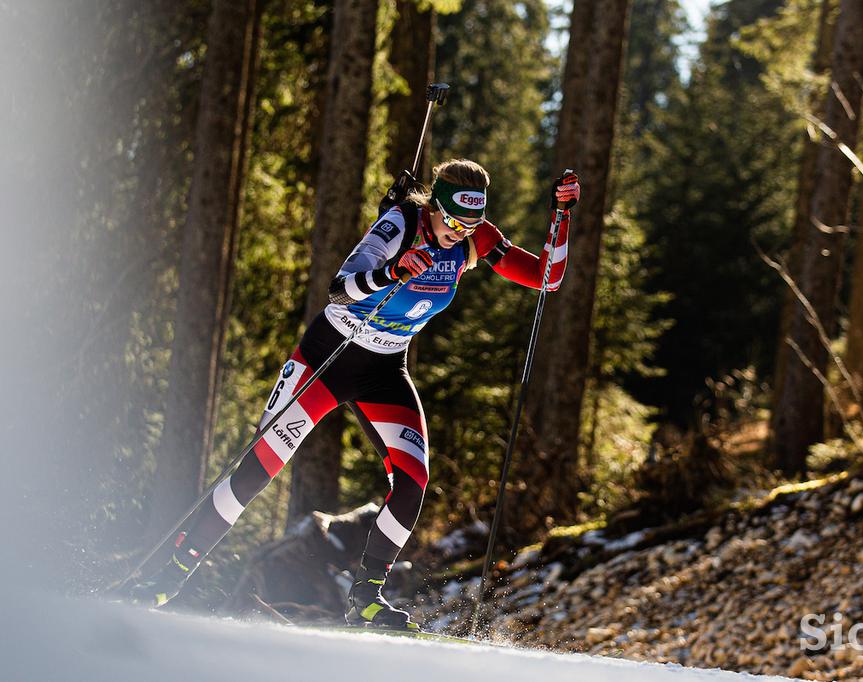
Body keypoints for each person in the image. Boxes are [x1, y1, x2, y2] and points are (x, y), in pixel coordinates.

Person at [131, 159, 581, 628]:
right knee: (258, 468)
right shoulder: (399, 225)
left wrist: (562, 215)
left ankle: (365, 597)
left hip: (385, 369)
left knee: (413, 481)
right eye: (450, 222)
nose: (458, 233)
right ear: (433, 208)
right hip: (329, 357)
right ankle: (171, 574)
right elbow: (338, 290)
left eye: (469, 225)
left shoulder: (474, 236)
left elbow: (547, 277)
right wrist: (392, 272)